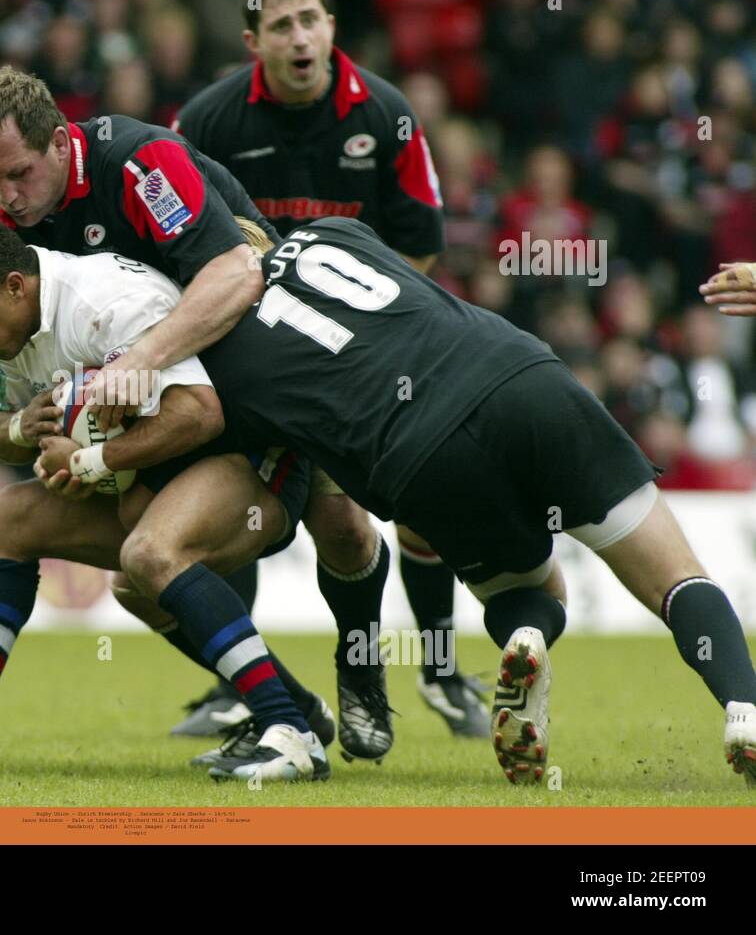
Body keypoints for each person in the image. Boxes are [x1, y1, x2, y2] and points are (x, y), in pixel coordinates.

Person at [121, 215, 754, 785]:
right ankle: (744, 709)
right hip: (519, 377)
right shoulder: (335, 231)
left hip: (420, 458)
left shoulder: (223, 365)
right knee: (674, 578)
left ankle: (527, 634)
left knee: (523, 592)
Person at [0, 66, 394, 757]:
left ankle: (363, 670)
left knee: (341, 523)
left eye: (18, 173)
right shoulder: (21, 232)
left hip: (264, 360)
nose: (7, 197)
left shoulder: (140, 166)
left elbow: (234, 273)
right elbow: (15, 369)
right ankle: (287, 706)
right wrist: (36, 418)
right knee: (141, 579)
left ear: (59, 140)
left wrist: (139, 364)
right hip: (176, 388)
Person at [0, 216, 333, 783]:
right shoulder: (7, 333)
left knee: (151, 557)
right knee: (7, 521)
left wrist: (90, 461)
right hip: (152, 476)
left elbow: (200, 413)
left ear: (14, 286)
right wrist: (23, 430)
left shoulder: (106, 302)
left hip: (250, 458)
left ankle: (291, 733)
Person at [173, 0, 487, 744]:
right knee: (224, 504)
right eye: (281, 26)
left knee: (398, 510)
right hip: (245, 353)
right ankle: (237, 684)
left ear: (332, 27)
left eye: (310, 19)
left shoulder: (387, 116)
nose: (300, 37)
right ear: (253, 42)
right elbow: (170, 237)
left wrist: (376, 340)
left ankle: (438, 670)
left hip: (364, 356)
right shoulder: (209, 122)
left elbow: (420, 250)